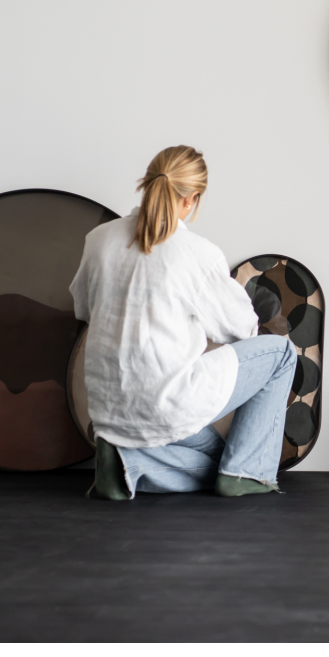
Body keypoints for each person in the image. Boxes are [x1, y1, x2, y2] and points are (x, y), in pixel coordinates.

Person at [69, 145, 296, 501]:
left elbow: (83, 309)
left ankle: (127, 465)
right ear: (192, 199)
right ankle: (247, 474)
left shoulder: (98, 239)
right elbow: (244, 330)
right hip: (165, 404)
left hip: (108, 411)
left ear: (147, 183)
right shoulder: (196, 252)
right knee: (282, 353)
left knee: (220, 454)